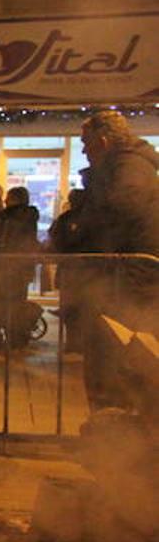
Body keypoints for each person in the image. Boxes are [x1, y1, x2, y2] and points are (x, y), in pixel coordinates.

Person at [70, 111, 159, 410]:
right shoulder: (128, 165)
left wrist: (78, 230)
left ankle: (115, 427)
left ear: (103, 141)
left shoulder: (128, 167)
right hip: (126, 275)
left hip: (129, 279)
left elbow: (119, 212)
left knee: (112, 357)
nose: (83, 150)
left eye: (86, 142)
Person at [0, 186, 41, 349]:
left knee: (8, 303)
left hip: (9, 268)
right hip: (22, 268)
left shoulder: (9, 218)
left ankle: (15, 339)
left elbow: (2, 241)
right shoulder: (29, 216)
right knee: (18, 303)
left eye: (8, 198)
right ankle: (18, 338)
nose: (5, 201)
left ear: (15, 199)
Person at [48, 189, 87, 355]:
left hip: (73, 269)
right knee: (75, 308)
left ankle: (74, 343)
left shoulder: (68, 218)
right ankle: (75, 343)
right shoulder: (91, 217)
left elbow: (56, 239)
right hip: (83, 271)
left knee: (72, 308)